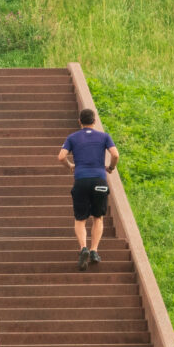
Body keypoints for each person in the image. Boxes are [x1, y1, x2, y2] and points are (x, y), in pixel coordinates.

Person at [55, 107, 116, 269]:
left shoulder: (72, 138)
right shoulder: (104, 137)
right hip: (99, 180)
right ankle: (94, 250)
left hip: (81, 180)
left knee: (80, 219)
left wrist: (70, 166)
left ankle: (83, 248)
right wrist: (110, 167)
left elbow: (61, 156)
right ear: (94, 121)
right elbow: (115, 154)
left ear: (79, 122)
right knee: (98, 217)